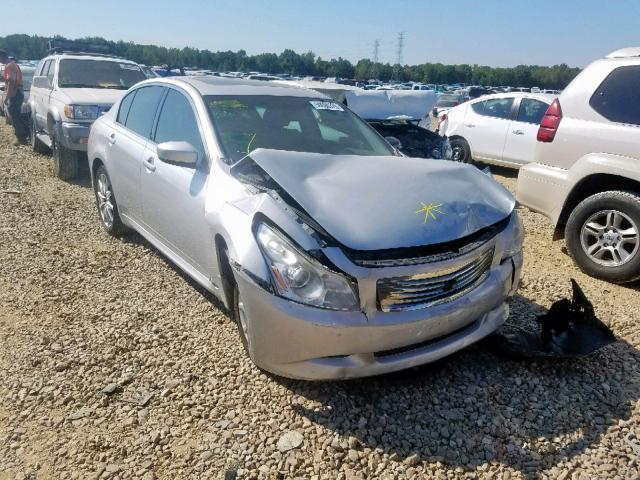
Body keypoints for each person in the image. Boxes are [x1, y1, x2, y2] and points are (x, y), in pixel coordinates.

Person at [0, 50, 28, 145]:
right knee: (17, 115)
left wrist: (7, 98)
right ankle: (22, 136)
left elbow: (11, 82)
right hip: (19, 93)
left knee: (14, 116)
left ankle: (21, 139)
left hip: (15, 94)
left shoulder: (8, 66)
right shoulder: (14, 64)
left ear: (2, 56)